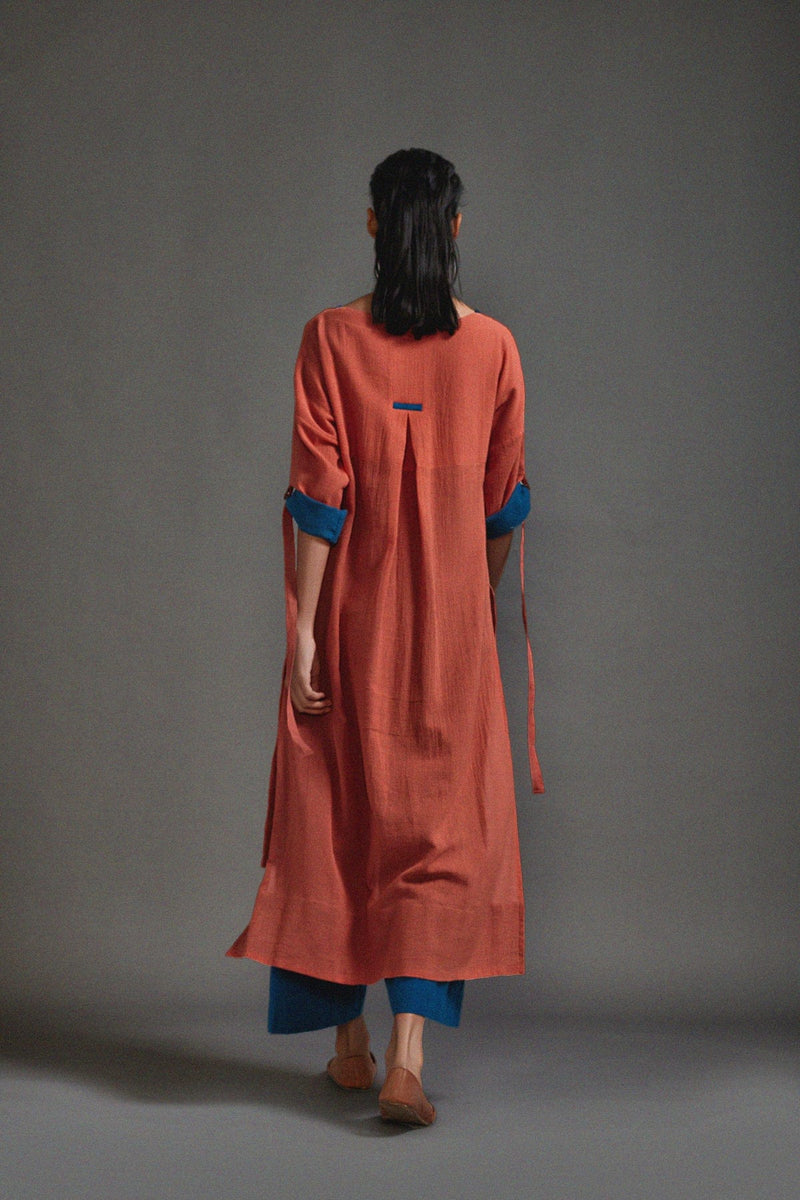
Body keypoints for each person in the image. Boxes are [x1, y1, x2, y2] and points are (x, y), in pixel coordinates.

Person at [227, 148, 544, 1127]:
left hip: (352, 623)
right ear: (455, 227)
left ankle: (350, 1049)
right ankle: (408, 1055)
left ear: (372, 224)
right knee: (440, 833)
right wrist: (466, 606)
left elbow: (318, 500)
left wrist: (307, 632)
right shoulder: (494, 347)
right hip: (451, 635)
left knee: (333, 820)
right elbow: (502, 507)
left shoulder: (328, 339)